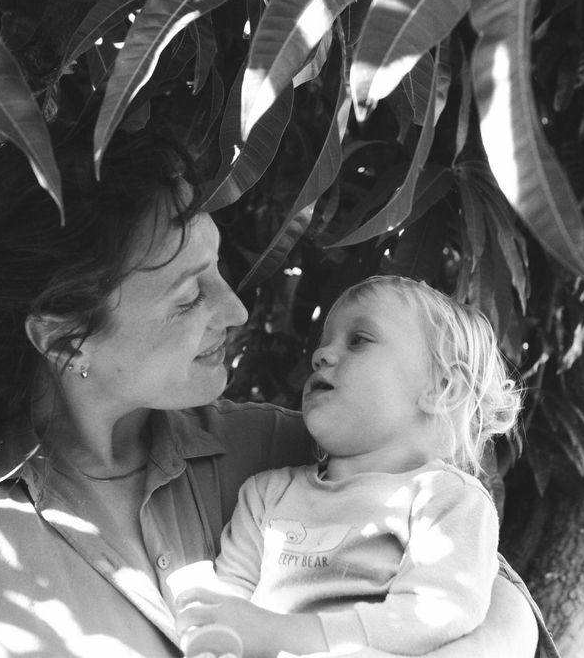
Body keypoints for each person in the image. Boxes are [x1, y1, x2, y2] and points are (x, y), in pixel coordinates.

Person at [0, 125, 552, 658]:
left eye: (218, 266)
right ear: (65, 335)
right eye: (187, 296)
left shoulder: (277, 447)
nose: (235, 310)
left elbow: (489, 593)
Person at [173, 276, 522, 657]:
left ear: (442, 388)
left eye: (358, 340)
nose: (320, 355)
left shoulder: (448, 500)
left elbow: (436, 615)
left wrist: (284, 634)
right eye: (323, 344)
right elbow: (229, 606)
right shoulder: (266, 495)